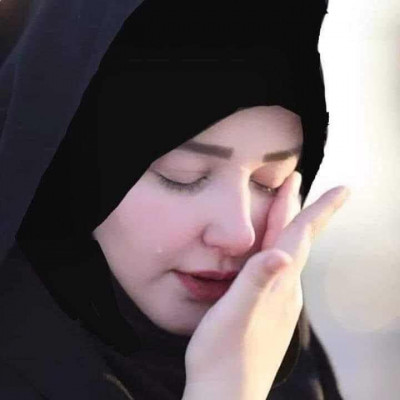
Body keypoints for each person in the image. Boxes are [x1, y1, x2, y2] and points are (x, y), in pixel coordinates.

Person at [0, 0, 348, 398]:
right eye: (183, 177)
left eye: (270, 183)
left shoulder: (295, 376)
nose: (239, 235)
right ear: (69, 174)